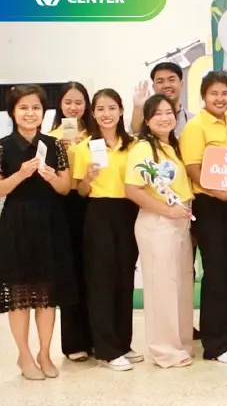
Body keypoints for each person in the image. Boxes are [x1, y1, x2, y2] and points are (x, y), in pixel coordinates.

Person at [0, 84, 73, 380]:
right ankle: (24, 355)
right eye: (23, 108)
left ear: (44, 112)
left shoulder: (54, 145)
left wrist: (52, 176)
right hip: (17, 222)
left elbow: (65, 188)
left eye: (36, 108)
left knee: (46, 293)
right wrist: (21, 174)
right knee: (19, 293)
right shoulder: (3, 146)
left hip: (50, 222)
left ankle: (45, 353)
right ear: (13, 112)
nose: (30, 113)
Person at [179, 71, 227, 364]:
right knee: (217, 273)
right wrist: (218, 193)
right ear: (203, 97)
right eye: (214, 94)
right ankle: (215, 344)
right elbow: (193, 168)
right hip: (210, 204)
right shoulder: (195, 127)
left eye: (224, 93)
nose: (220, 99)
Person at [72, 89, 141, 371]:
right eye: (100, 109)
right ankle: (105, 349)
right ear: (93, 113)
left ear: (121, 111)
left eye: (112, 108)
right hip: (99, 212)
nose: (106, 114)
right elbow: (79, 191)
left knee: (125, 278)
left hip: (128, 211)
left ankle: (123, 343)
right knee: (101, 281)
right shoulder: (83, 147)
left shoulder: (133, 145)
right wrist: (88, 179)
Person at [125, 94, 195, 369]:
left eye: (169, 113)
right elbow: (132, 190)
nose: (165, 118)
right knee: (162, 288)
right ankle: (164, 351)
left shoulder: (171, 146)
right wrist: (167, 211)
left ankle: (181, 343)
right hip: (157, 223)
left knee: (181, 286)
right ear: (147, 119)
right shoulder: (143, 148)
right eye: (158, 114)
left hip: (180, 221)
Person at [48, 82, 94, 362]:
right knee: (70, 270)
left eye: (79, 102)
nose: (74, 107)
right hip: (64, 206)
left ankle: (96, 337)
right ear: (60, 105)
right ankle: (74, 342)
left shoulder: (95, 135)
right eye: (68, 102)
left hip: (92, 203)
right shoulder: (50, 138)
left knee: (94, 271)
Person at [131, 62, 195, 136]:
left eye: (171, 80)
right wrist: (138, 108)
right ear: (153, 87)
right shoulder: (147, 119)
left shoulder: (193, 120)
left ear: (181, 84)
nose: (166, 85)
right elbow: (136, 136)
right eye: (160, 81)